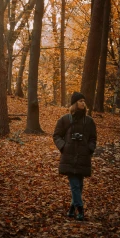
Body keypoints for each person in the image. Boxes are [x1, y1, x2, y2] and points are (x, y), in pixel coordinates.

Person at [53, 91, 97, 221]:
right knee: (75, 185)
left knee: (79, 185)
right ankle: (80, 209)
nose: (83, 103)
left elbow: (93, 138)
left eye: (84, 101)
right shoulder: (65, 119)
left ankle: (72, 208)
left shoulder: (89, 121)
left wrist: (90, 149)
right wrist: (63, 146)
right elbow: (56, 135)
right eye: (80, 101)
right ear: (74, 103)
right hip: (69, 157)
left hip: (83, 157)